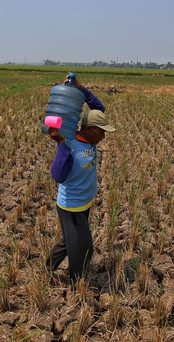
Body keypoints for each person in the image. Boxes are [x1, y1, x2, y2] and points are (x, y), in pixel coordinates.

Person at [46, 73, 115, 288]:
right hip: (71, 208)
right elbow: (57, 175)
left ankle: (47, 270)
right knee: (84, 247)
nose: (103, 137)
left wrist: (82, 90)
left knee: (69, 242)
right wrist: (62, 146)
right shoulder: (70, 144)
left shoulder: (89, 137)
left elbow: (98, 109)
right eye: (102, 132)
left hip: (84, 203)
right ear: (90, 129)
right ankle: (76, 283)